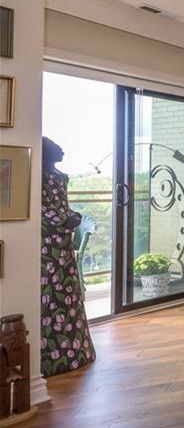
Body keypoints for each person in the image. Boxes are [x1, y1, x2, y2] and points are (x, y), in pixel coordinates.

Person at [40, 137, 95, 376]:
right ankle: (56, 356)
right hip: (49, 244)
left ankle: (76, 350)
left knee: (68, 292)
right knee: (51, 293)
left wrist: (71, 217)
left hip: (62, 243)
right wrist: (64, 220)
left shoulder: (58, 176)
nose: (61, 149)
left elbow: (60, 205)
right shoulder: (38, 175)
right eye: (56, 147)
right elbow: (40, 208)